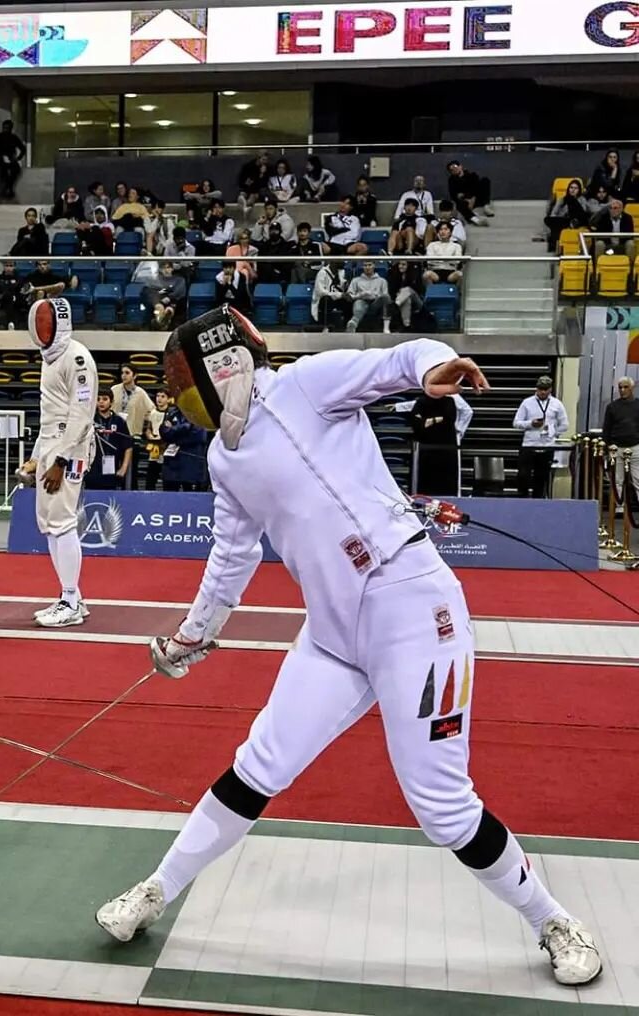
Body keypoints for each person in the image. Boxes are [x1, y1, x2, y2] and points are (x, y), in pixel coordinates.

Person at [95, 307, 604, 990]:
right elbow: (231, 555)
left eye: (185, 383)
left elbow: (399, 358)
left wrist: (434, 369)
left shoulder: (310, 384)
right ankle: (157, 888)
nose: (181, 399)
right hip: (332, 635)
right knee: (258, 766)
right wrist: (194, 634)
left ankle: (553, 921)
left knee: (443, 806)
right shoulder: (224, 458)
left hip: (418, 617)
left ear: (225, 370)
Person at [24, 298, 95, 629]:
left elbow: (81, 414)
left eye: (44, 323)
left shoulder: (77, 357)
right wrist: (38, 455)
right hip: (52, 445)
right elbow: (50, 413)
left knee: (62, 521)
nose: (40, 330)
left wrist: (61, 460)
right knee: (49, 523)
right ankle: (73, 597)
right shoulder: (48, 358)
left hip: (71, 448)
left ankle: (69, 599)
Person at [512, 374, 569, 498]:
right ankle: (522, 500)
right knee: (523, 476)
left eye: (545, 389)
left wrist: (553, 433)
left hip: (547, 446)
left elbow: (564, 424)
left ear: (550, 389)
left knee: (541, 478)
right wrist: (530, 424)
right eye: (540, 389)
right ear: (536, 389)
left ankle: (538, 502)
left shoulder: (557, 404)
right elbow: (516, 423)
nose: (542, 392)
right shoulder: (527, 403)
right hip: (529, 445)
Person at [602, 376, 639, 523]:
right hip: (616, 447)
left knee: (638, 479)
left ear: (632, 388)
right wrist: (607, 447)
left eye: (625, 387)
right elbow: (607, 428)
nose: (622, 390)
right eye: (620, 387)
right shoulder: (612, 407)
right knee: (617, 479)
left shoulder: (638, 405)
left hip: (635, 447)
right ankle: (619, 506)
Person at [112, 363, 155, 487]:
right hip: (115, 434)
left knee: (132, 472)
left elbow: (151, 411)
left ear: (135, 375)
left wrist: (147, 430)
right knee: (113, 468)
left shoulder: (140, 393)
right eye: (122, 373)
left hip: (132, 435)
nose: (123, 376)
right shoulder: (114, 389)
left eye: (127, 373)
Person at [157, 390, 206, 492]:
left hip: (190, 464)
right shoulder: (172, 412)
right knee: (169, 496)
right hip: (172, 465)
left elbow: (197, 435)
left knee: (190, 497)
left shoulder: (199, 413)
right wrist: (183, 430)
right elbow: (163, 431)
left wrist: (174, 431)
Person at [88, 392, 131, 490]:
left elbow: (128, 446)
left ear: (111, 402)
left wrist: (123, 468)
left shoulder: (119, 421)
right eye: (98, 399)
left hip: (112, 469)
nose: (101, 402)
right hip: (92, 469)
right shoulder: (90, 420)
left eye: (104, 399)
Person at [345, 260, 391, 333]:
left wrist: (374, 295)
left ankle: (386, 327)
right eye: (365, 265)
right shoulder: (356, 280)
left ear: (374, 266)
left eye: (369, 265)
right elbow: (349, 295)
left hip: (375, 303)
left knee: (386, 297)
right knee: (359, 304)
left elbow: (385, 295)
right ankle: (353, 323)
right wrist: (360, 294)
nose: (367, 267)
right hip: (361, 300)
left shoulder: (382, 281)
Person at [545, 179, 589, 252]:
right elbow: (554, 213)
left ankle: (557, 248)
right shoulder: (562, 199)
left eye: (575, 188)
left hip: (577, 221)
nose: (573, 190)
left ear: (579, 190)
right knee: (548, 220)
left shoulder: (582, 200)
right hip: (563, 220)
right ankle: (556, 247)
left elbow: (582, 213)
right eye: (571, 188)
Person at [446, 160, 493, 225]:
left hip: (477, 199)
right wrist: (466, 198)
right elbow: (454, 195)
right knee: (459, 205)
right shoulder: (452, 180)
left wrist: (472, 198)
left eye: (455, 167)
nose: (454, 170)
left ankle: (486, 206)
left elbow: (476, 188)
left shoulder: (472, 175)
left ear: (460, 166)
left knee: (485, 180)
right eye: (452, 170)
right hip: (465, 201)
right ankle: (476, 220)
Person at [0, 119, 26, 200]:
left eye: (8, 128)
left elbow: (23, 149)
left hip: (10, 159)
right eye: (5, 128)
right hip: (0, 158)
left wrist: (17, 158)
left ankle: (8, 188)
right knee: (4, 172)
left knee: (16, 170)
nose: (6, 129)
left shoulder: (13, 137)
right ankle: (7, 189)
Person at [388, 258, 426, 331]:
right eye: (399, 264)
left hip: (417, 302)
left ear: (408, 266)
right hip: (402, 300)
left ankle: (396, 305)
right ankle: (407, 325)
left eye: (403, 264)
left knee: (407, 289)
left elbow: (419, 290)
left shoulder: (414, 275)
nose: (400, 266)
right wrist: (398, 293)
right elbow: (391, 291)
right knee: (406, 300)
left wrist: (403, 291)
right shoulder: (394, 275)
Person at [148, 261, 188, 329]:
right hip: (160, 300)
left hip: (174, 300)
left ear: (172, 269)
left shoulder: (179, 279)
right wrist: (159, 301)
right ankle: (160, 320)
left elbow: (179, 292)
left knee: (171, 306)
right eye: (164, 268)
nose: (166, 270)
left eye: (168, 268)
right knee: (158, 305)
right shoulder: (156, 280)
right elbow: (153, 291)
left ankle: (166, 317)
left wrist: (169, 297)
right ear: (160, 270)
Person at [423, 221, 465, 286]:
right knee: (427, 275)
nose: (443, 232)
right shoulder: (432, 245)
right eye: (441, 229)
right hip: (435, 271)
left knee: (460, 274)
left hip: (450, 272)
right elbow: (430, 261)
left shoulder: (456, 246)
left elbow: (457, 261)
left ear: (450, 232)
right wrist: (448, 259)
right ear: (438, 232)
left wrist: (438, 259)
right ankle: (430, 294)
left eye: (445, 229)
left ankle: (458, 294)